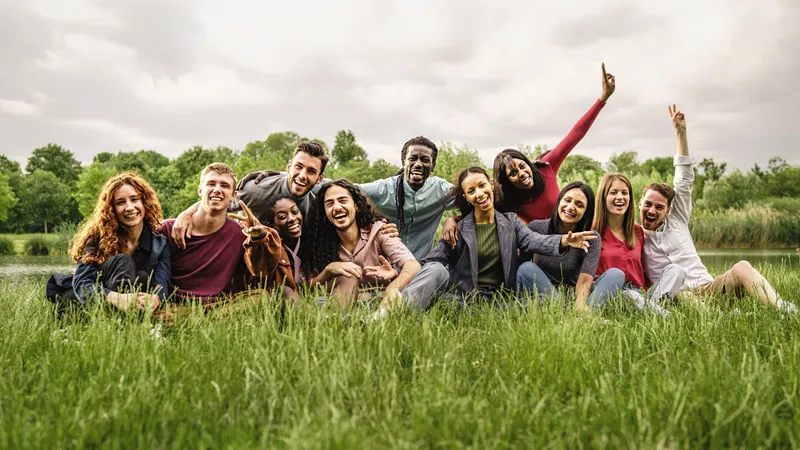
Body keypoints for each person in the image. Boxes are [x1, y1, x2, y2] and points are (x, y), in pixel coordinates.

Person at [641, 105, 797, 313]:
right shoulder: (634, 236)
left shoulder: (677, 219)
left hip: (709, 288)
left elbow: (684, 179)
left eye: (659, 207)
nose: (652, 210)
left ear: (668, 210)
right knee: (680, 292)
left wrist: (681, 133)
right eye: (648, 204)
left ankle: (784, 309)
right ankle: (721, 318)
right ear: (640, 203)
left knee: (742, 266)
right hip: (677, 296)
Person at [440, 63, 616, 243]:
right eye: (513, 174)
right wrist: (452, 220)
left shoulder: (546, 167)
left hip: (580, 233)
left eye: (522, 167)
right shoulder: (508, 200)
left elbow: (575, 135)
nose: (522, 174)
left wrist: (602, 98)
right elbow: (480, 212)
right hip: (550, 246)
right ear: (507, 181)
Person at [408, 167, 598, 311]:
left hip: (501, 302)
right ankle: (401, 306)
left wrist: (564, 241)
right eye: (471, 191)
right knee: (443, 294)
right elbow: (431, 261)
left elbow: (533, 240)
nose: (480, 194)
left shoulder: (511, 221)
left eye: (482, 186)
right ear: (466, 197)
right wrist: (401, 275)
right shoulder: (457, 229)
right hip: (463, 299)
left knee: (545, 300)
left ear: (491, 185)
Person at [242, 136, 455, 261]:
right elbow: (343, 190)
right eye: (413, 159)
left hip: (417, 262)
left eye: (425, 160)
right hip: (384, 262)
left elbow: (472, 197)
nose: (418, 164)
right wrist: (277, 175)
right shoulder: (384, 189)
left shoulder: (441, 191)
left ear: (433, 166)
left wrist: (453, 219)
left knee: (437, 274)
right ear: (403, 161)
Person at [160, 163, 295, 306]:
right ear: (200, 190)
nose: (217, 190)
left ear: (233, 195)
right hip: (175, 306)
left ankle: (295, 308)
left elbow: (260, 271)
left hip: (220, 308)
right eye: (211, 184)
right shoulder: (170, 228)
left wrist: (259, 238)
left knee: (259, 298)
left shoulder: (238, 235)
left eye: (224, 186)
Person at [46, 173, 170, 312]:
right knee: (123, 261)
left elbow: (162, 281)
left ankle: (121, 323)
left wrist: (156, 298)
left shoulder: (159, 243)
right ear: (112, 209)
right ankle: (122, 325)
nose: (129, 207)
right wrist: (117, 298)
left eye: (134, 199)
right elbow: (82, 282)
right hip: (88, 300)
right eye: (120, 202)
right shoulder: (98, 237)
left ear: (145, 202)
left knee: (142, 277)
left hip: (126, 301)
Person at [170, 141, 328, 248]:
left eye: (311, 171)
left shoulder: (321, 193)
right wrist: (186, 213)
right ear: (288, 167)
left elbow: (351, 188)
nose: (302, 175)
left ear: (319, 178)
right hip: (248, 250)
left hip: (289, 256)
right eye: (298, 167)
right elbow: (217, 201)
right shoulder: (258, 189)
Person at [302, 179, 429, 309]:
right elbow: (308, 287)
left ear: (356, 205)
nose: (337, 207)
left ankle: (377, 318)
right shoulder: (319, 242)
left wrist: (392, 287)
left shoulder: (380, 231)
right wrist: (328, 270)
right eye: (329, 204)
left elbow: (412, 265)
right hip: (341, 301)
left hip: (381, 301)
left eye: (343, 200)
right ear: (324, 213)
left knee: (434, 271)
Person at [515, 182, 626, 313]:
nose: (571, 207)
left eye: (579, 205)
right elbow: (521, 268)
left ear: (586, 212)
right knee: (526, 268)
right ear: (559, 201)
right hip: (543, 291)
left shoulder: (591, 238)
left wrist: (580, 303)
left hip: (575, 294)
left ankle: (582, 314)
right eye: (567, 200)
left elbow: (585, 280)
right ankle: (568, 313)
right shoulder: (536, 228)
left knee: (616, 274)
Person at [594, 173, 683, 315]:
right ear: (603, 197)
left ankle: (653, 311)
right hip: (611, 295)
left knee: (676, 270)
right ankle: (668, 318)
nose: (620, 197)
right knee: (630, 295)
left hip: (638, 294)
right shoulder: (593, 231)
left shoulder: (637, 232)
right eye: (613, 192)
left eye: (625, 193)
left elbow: (642, 270)